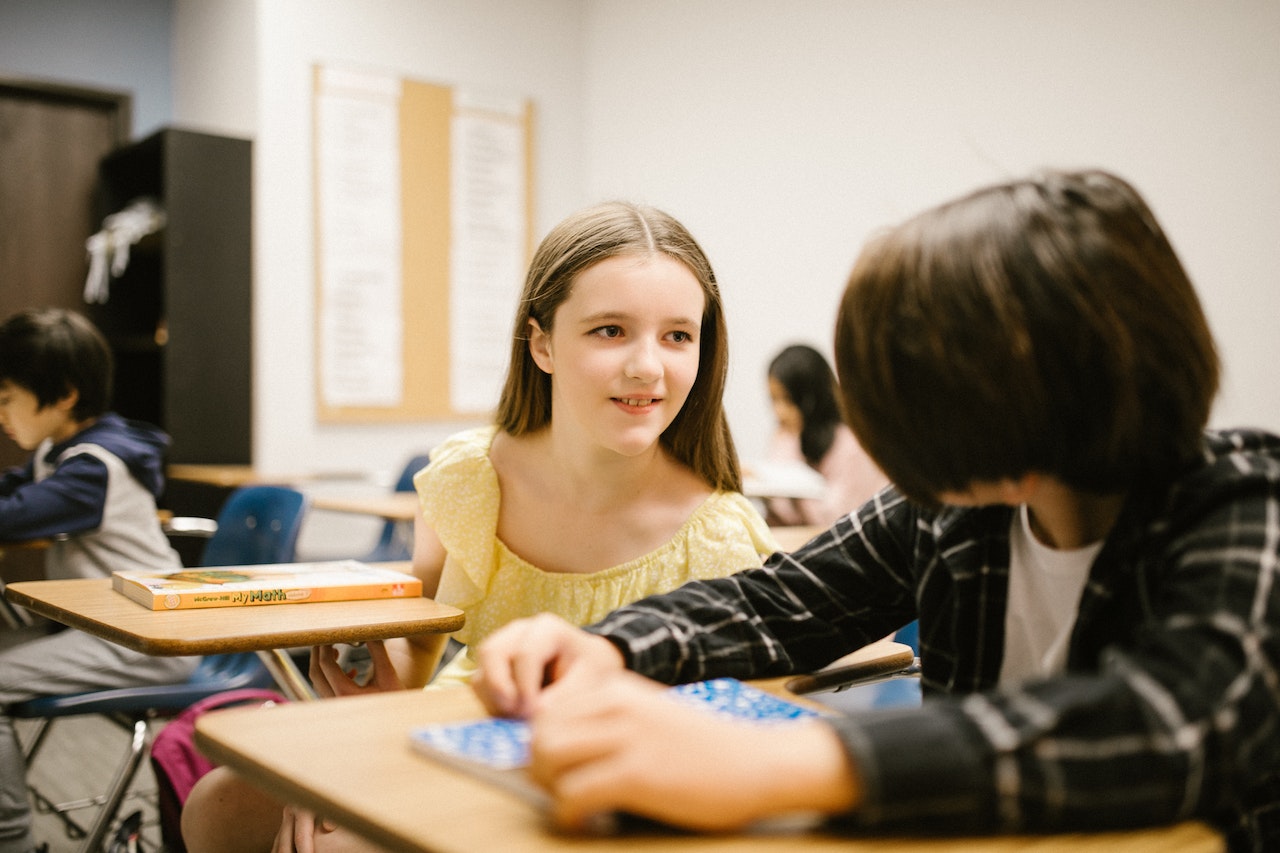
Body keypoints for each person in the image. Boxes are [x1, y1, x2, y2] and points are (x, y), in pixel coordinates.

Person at [471, 170, 1280, 852]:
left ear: (1051, 384)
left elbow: (1175, 724)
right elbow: (775, 602)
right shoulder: (956, 510)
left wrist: (778, 765)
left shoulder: (1243, 502)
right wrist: (606, 647)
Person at [181, 200, 778, 853]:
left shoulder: (715, 534)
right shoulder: (473, 476)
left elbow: (730, 739)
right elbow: (423, 643)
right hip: (455, 736)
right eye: (610, 330)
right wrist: (351, 727)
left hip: (595, 786)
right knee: (215, 808)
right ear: (542, 342)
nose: (647, 366)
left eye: (677, 335)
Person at [0, 308, 196, 853]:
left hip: (148, 636)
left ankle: (10, 839)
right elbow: (13, 491)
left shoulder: (93, 467)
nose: (1, 415)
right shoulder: (56, 454)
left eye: (6, 399)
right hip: (103, 624)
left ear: (61, 395)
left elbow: (12, 514)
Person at [762, 342, 886, 527]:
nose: (778, 411)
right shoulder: (787, 437)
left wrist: (796, 484)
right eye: (774, 399)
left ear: (811, 398)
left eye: (787, 400)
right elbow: (780, 513)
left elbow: (834, 521)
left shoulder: (850, 445)